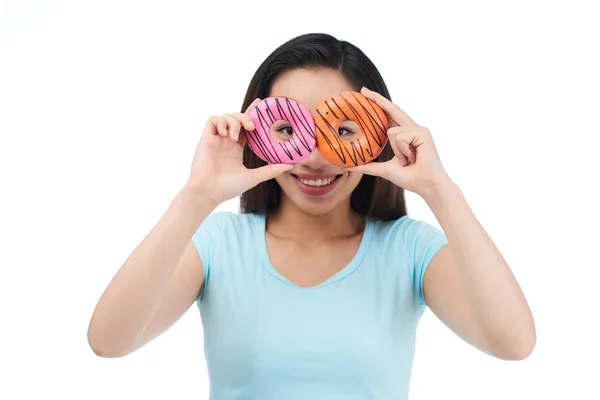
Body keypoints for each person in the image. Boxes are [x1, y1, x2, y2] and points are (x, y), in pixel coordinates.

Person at [87, 33, 536, 399]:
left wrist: (440, 189)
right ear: (257, 135)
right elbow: (109, 342)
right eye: (288, 130)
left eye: (342, 130)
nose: (317, 158)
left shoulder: (410, 250)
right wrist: (196, 197)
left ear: (379, 136)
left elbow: (514, 344)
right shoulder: (219, 245)